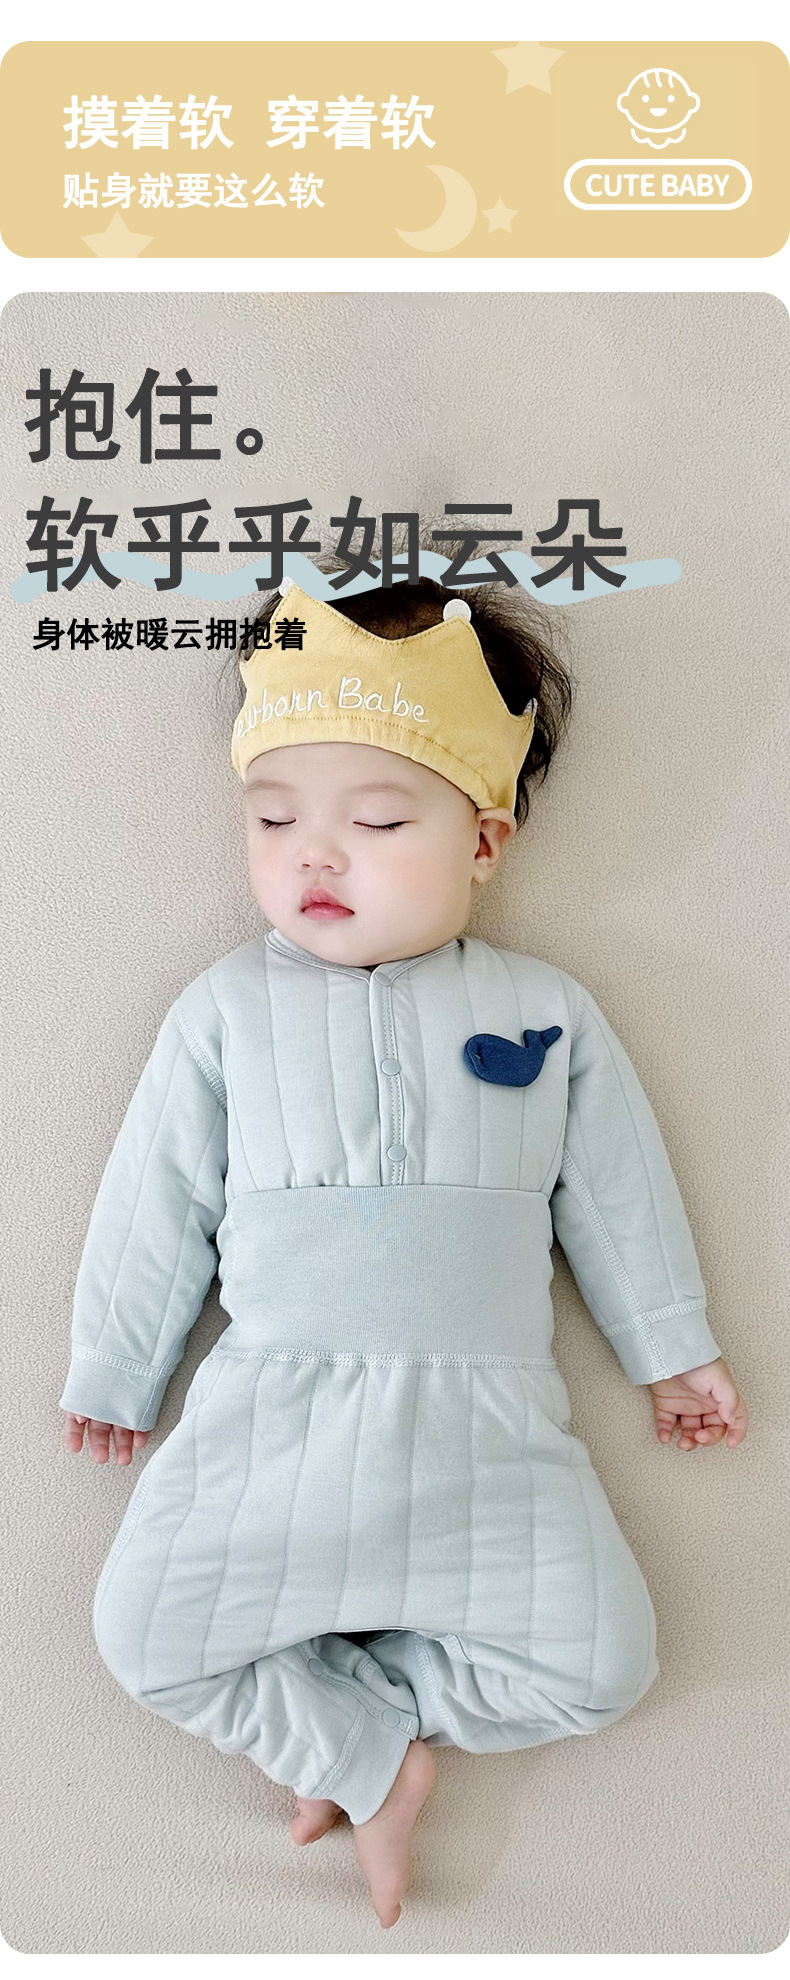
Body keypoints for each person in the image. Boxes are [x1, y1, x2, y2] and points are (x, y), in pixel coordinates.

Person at [60, 570, 749, 1931]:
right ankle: (372, 1760)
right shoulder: (224, 1012)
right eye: (273, 820)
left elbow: (618, 1196)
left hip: (487, 1436)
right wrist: (117, 1367)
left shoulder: (547, 1011)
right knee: (142, 1638)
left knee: (603, 1666)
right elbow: (153, 1201)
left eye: (376, 822)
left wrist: (672, 1351)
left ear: (483, 841)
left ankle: (373, 1727)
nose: (313, 858)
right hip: (273, 1420)